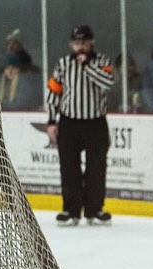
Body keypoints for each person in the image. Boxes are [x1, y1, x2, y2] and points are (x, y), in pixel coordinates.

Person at [46, 25, 114, 226]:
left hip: (95, 123)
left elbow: (107, 83)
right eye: (76, 43)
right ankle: (70, 210)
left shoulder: (102, 61)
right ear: (71, 44)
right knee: (69, 168)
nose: (80, 47)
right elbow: (53, 93)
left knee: (96, 168)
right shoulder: (63, 64)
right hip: (69, 123)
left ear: (90, 42)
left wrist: (88, 66)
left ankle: (94, 210)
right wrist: (51, 121)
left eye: (83, 42)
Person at [0, 29, 42, 111]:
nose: (10, 70)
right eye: (7, 68)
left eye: (13, 68)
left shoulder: (26, 80)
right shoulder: (2, 80)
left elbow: (21, 103)